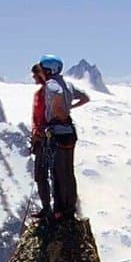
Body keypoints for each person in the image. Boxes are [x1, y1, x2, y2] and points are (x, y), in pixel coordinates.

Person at [38, 54, 89, 220]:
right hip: (69, 131)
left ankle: (60, 210)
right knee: (68, 170)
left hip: (57, 131)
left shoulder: (51, 84)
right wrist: (70, 108)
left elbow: (57, 94)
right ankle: (70, 206)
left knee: (57, 171)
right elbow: (85, 98)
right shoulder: (67, 83)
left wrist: (58, 112)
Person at [29, 63, 52, 218]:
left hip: (46, 139)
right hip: (40, 138)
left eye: (35, 75)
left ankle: (49, 210)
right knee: (41, 175)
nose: (33, 78)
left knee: (44, 175)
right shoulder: (40, 94)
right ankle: (47, 208)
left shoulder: (49, 93)